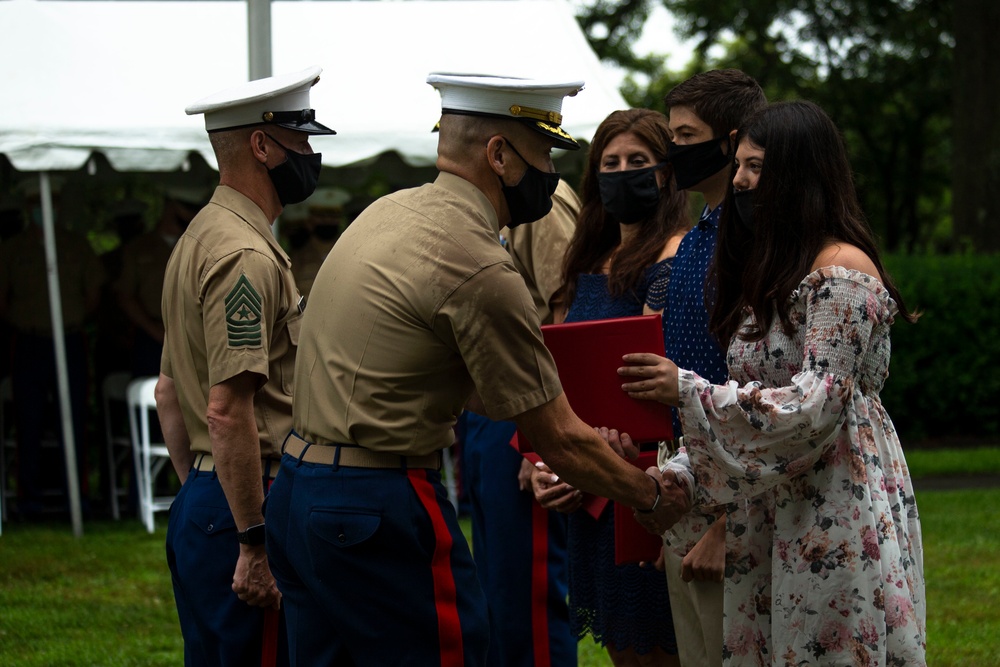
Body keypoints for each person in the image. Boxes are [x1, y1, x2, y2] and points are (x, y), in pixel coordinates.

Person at [264, 73, 688, 666]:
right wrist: (649, 495)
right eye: (542, 154)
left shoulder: (385, 214)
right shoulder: (477, 262)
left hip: (296, 491)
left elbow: (451, 378)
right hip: (375, 502)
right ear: (499, 155)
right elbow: (554, 435)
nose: (550, 174)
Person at [620, 100, 926, 665]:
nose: (738, 180)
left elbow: (816, 406)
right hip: (765, 507)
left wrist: (685, 389)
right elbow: (749, 406)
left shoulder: (842, 270)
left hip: (834, 497)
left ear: (800, 172)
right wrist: (676, 478)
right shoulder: (772, 267)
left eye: (755, 166)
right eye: (738, 165)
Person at [154, 66, 336, 667]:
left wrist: (200, 492)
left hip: (213, 498)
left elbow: (167, 393)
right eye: (302, 139)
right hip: (248, 500)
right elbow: (227, 409)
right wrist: (251, 539)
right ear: (262, 145)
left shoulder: (199, 237)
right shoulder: (242, 254)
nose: (311, 154)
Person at [530, 108, 690, 667]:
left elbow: (660, 385)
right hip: (591, 480)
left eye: (638, 162)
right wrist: (548, 464)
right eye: (610, 163)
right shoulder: (587, 258)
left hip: (643, 480)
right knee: (625, 651)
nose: (622, 173)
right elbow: (564, 377)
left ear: (666, 173)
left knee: (658, 648)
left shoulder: (676, 257)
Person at [647, 68, 767, 667]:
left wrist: (727, 524)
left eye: (687, 134)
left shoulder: (756, 245)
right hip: (687, 480)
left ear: (734, 139)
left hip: (738, 500)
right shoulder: (696, 236)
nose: (674, 150)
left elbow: (764, 385)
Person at [459, 177, 581, 667]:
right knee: (495, 594)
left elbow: (565, 316)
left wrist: (540, 445)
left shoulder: (539, 203)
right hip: (485, 413)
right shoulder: (478, 202)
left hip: (524, 413)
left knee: (525, 598)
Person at [0, 193, 104, 518]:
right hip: (29, 341)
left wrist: (71, 320)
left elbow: (94, 293)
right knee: (26, 422)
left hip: (70, 339)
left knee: (72, 419)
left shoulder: (76, 245)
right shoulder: (12, 248)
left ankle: (78, 498)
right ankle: (28, 500)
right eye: (34, 202)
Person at [116, 194, 199, 378]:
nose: (193, 214)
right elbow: (125, 296)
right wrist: (155, 331)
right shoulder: (138, 247)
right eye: (187, 207)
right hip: (151, 336)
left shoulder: (199, 245)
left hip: (192, 337)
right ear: (170, 206)